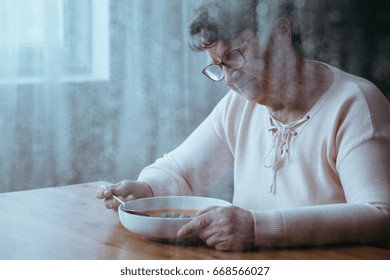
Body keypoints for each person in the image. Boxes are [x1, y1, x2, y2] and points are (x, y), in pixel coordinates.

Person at [97, 0, 390, 251]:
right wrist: (147, 190)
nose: (228, 78)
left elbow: (380, 216)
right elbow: (181, 172)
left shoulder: (355, 103)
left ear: (281, 32)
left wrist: (257, 228)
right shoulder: (240, 106)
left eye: (234, 55)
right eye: (218, 66)